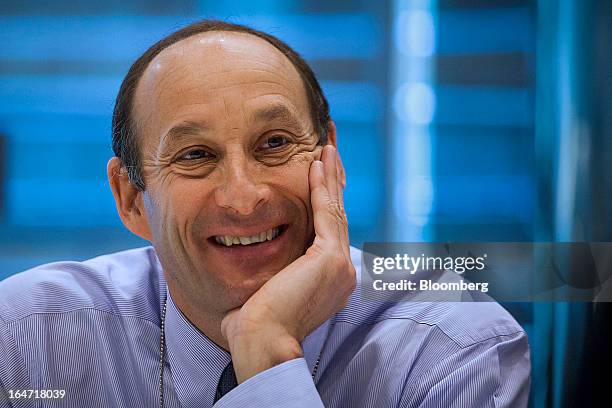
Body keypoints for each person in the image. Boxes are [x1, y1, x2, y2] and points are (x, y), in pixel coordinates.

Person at [0, 20, 530, 407]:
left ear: (330, 158)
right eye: (195, 156)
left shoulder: (453, 353)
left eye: (274, 143)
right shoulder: (23, 340)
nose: (244, 196)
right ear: (132, 199)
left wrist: (267, 351)